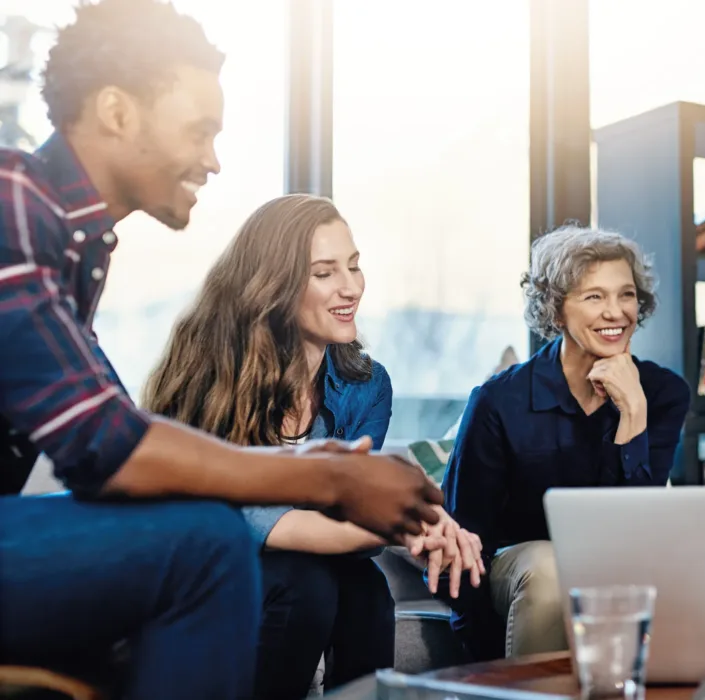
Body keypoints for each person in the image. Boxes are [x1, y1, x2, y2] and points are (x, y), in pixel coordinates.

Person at [0, 2, 442, 698]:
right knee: (205, 544)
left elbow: (109, 440)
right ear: (117, 112)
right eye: (199, 131)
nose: (213, 160)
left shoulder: (73, 242)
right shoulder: (15, 202)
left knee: (211, 537)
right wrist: (325, 476)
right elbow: (105, 448)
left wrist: (318, 466)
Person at [143, 193, 485, 699]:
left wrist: (421, 519)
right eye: (324, 273)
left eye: (354, 266)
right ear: (274, 284)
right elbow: (264, 522)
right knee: (306, 584)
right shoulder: (209, 371)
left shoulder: (367, 385)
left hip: (306, 564)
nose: (350, 288)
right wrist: (412, 522)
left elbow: (352, 505)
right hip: (210, 561)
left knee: (366, 590)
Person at [441, 225, 692, 660]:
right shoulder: (499, 401)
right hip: (517, 572)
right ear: (556, 311)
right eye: (594, 296)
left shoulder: (663, 392)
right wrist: (482, 667)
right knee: (548, 564)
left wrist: (633, 414)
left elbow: (638, 533)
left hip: (618, 568)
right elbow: (464, 545)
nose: (616, 312)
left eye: (626, 295)